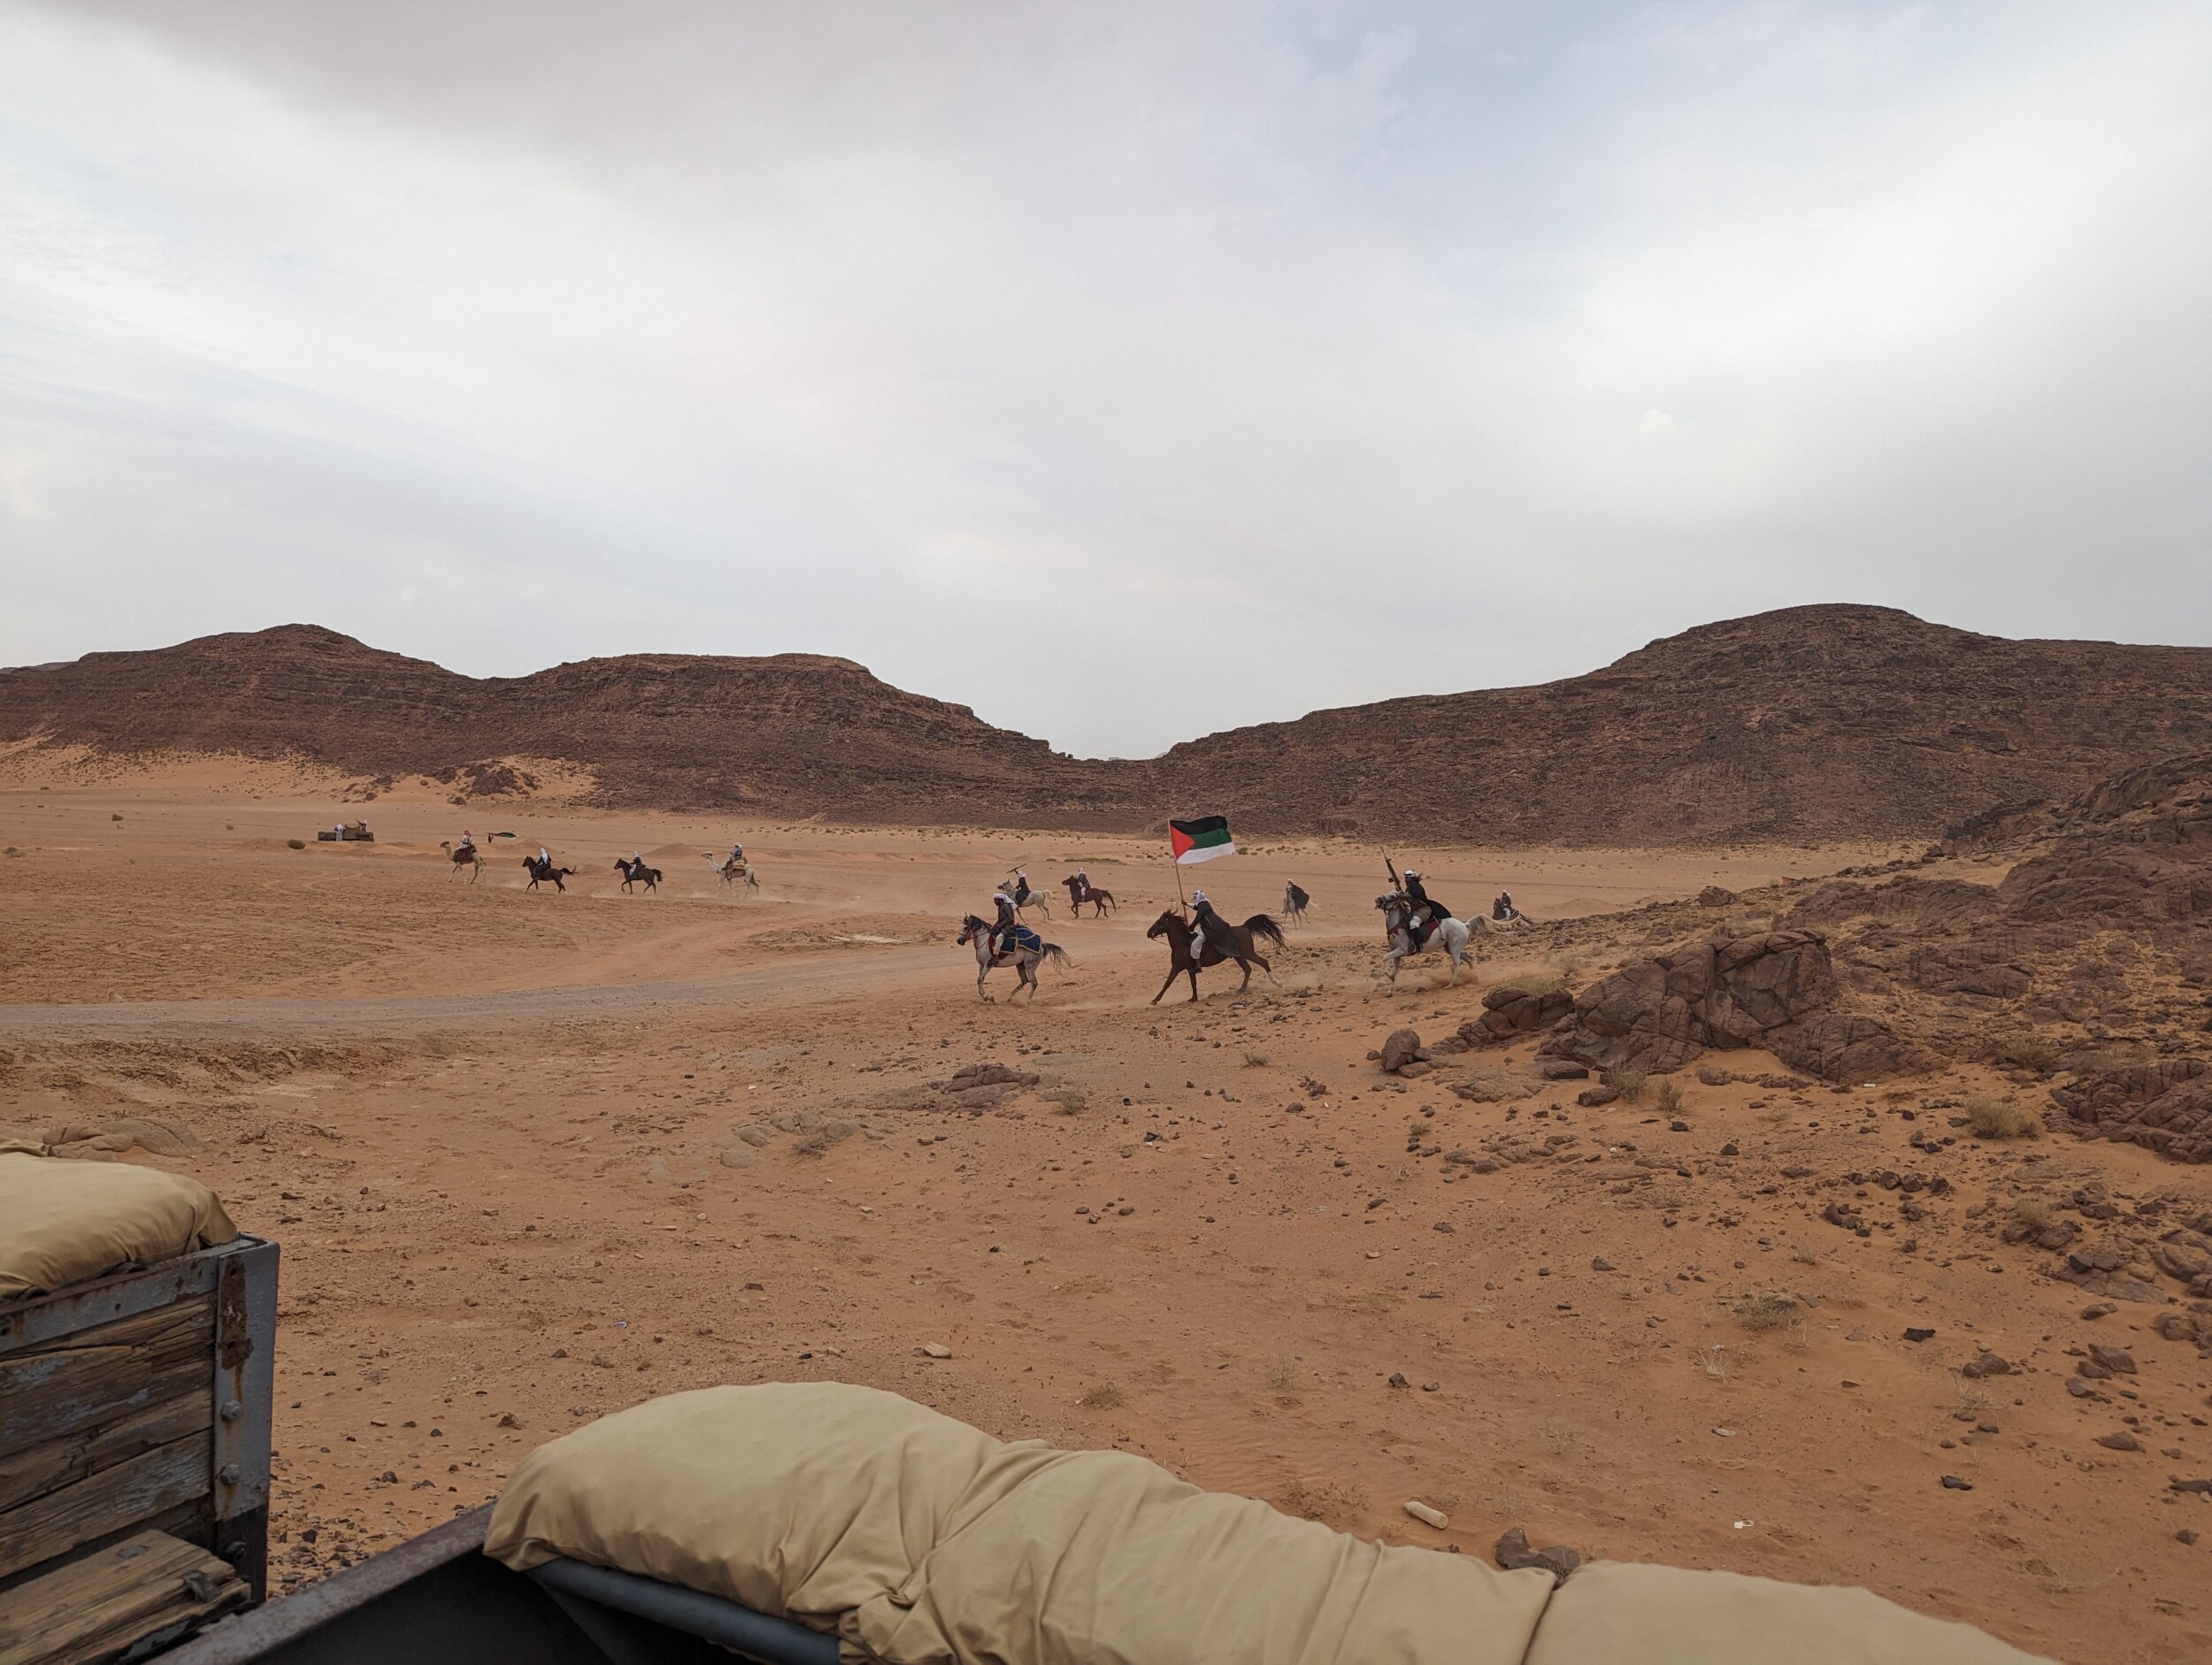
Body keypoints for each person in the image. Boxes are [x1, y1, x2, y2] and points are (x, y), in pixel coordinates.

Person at [1188, 888, 1238, 962]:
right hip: (1213, 925)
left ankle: (1197, 963)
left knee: (1195, 945)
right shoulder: (1204, 903)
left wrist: (1191, 927)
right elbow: (1196, 907)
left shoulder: (1202, 905)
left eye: (1195, 897)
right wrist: (1186, 904)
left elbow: (1198, 918)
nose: (1195, 899)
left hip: (1209, 928)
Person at [988, 887, 1021, 957]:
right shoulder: (1000, 907)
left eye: (995, 900)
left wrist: (999, 925)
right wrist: (994, 926)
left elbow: (1010, 919)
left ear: (999, 900)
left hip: (1008, 927)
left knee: (998, 938)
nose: (994, 902)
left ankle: (996, 957)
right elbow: (1000, 920)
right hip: (1003, 926)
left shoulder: (1006, 906)